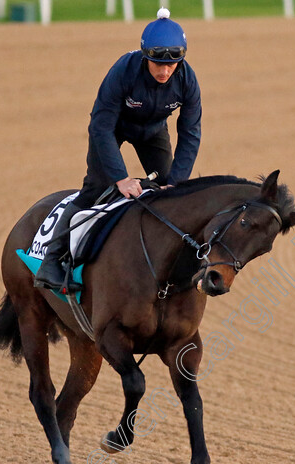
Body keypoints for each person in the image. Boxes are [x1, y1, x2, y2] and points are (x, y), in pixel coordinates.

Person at [34, 8, 202, 293]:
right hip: (112, 130)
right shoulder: (123, 71)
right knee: (95, 187)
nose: (164, 71)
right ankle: (52, 259)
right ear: (145, 56)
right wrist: (120, 178)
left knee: (173, 195)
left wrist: (176, 180)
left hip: (153, 133)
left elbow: (190, 134)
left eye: (171, 65)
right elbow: (100, 127)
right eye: (157, 64)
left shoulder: (187, 80)